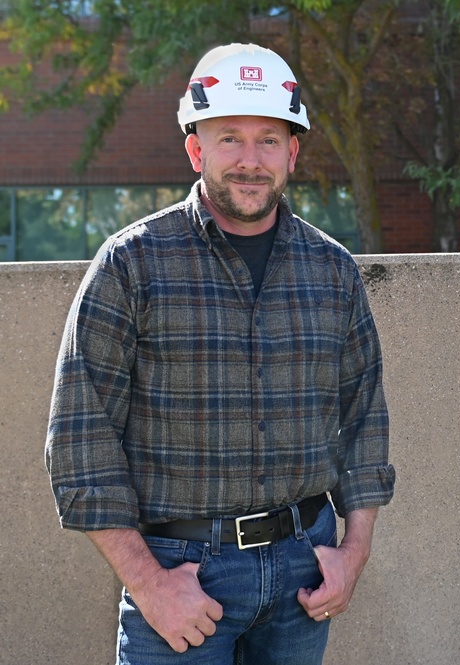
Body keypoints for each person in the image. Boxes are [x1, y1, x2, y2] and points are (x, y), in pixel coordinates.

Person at [44, 43, 394, 664]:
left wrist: (354, 550)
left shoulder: (333, 270)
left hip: (303, 575)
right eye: (229, 138)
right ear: (196, 148)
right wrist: (148, 585)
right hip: (183, 577)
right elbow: (80, 438)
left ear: (293, 151)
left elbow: (364, 417)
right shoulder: (132, 263)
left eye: (268, 140)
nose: (250, 160)